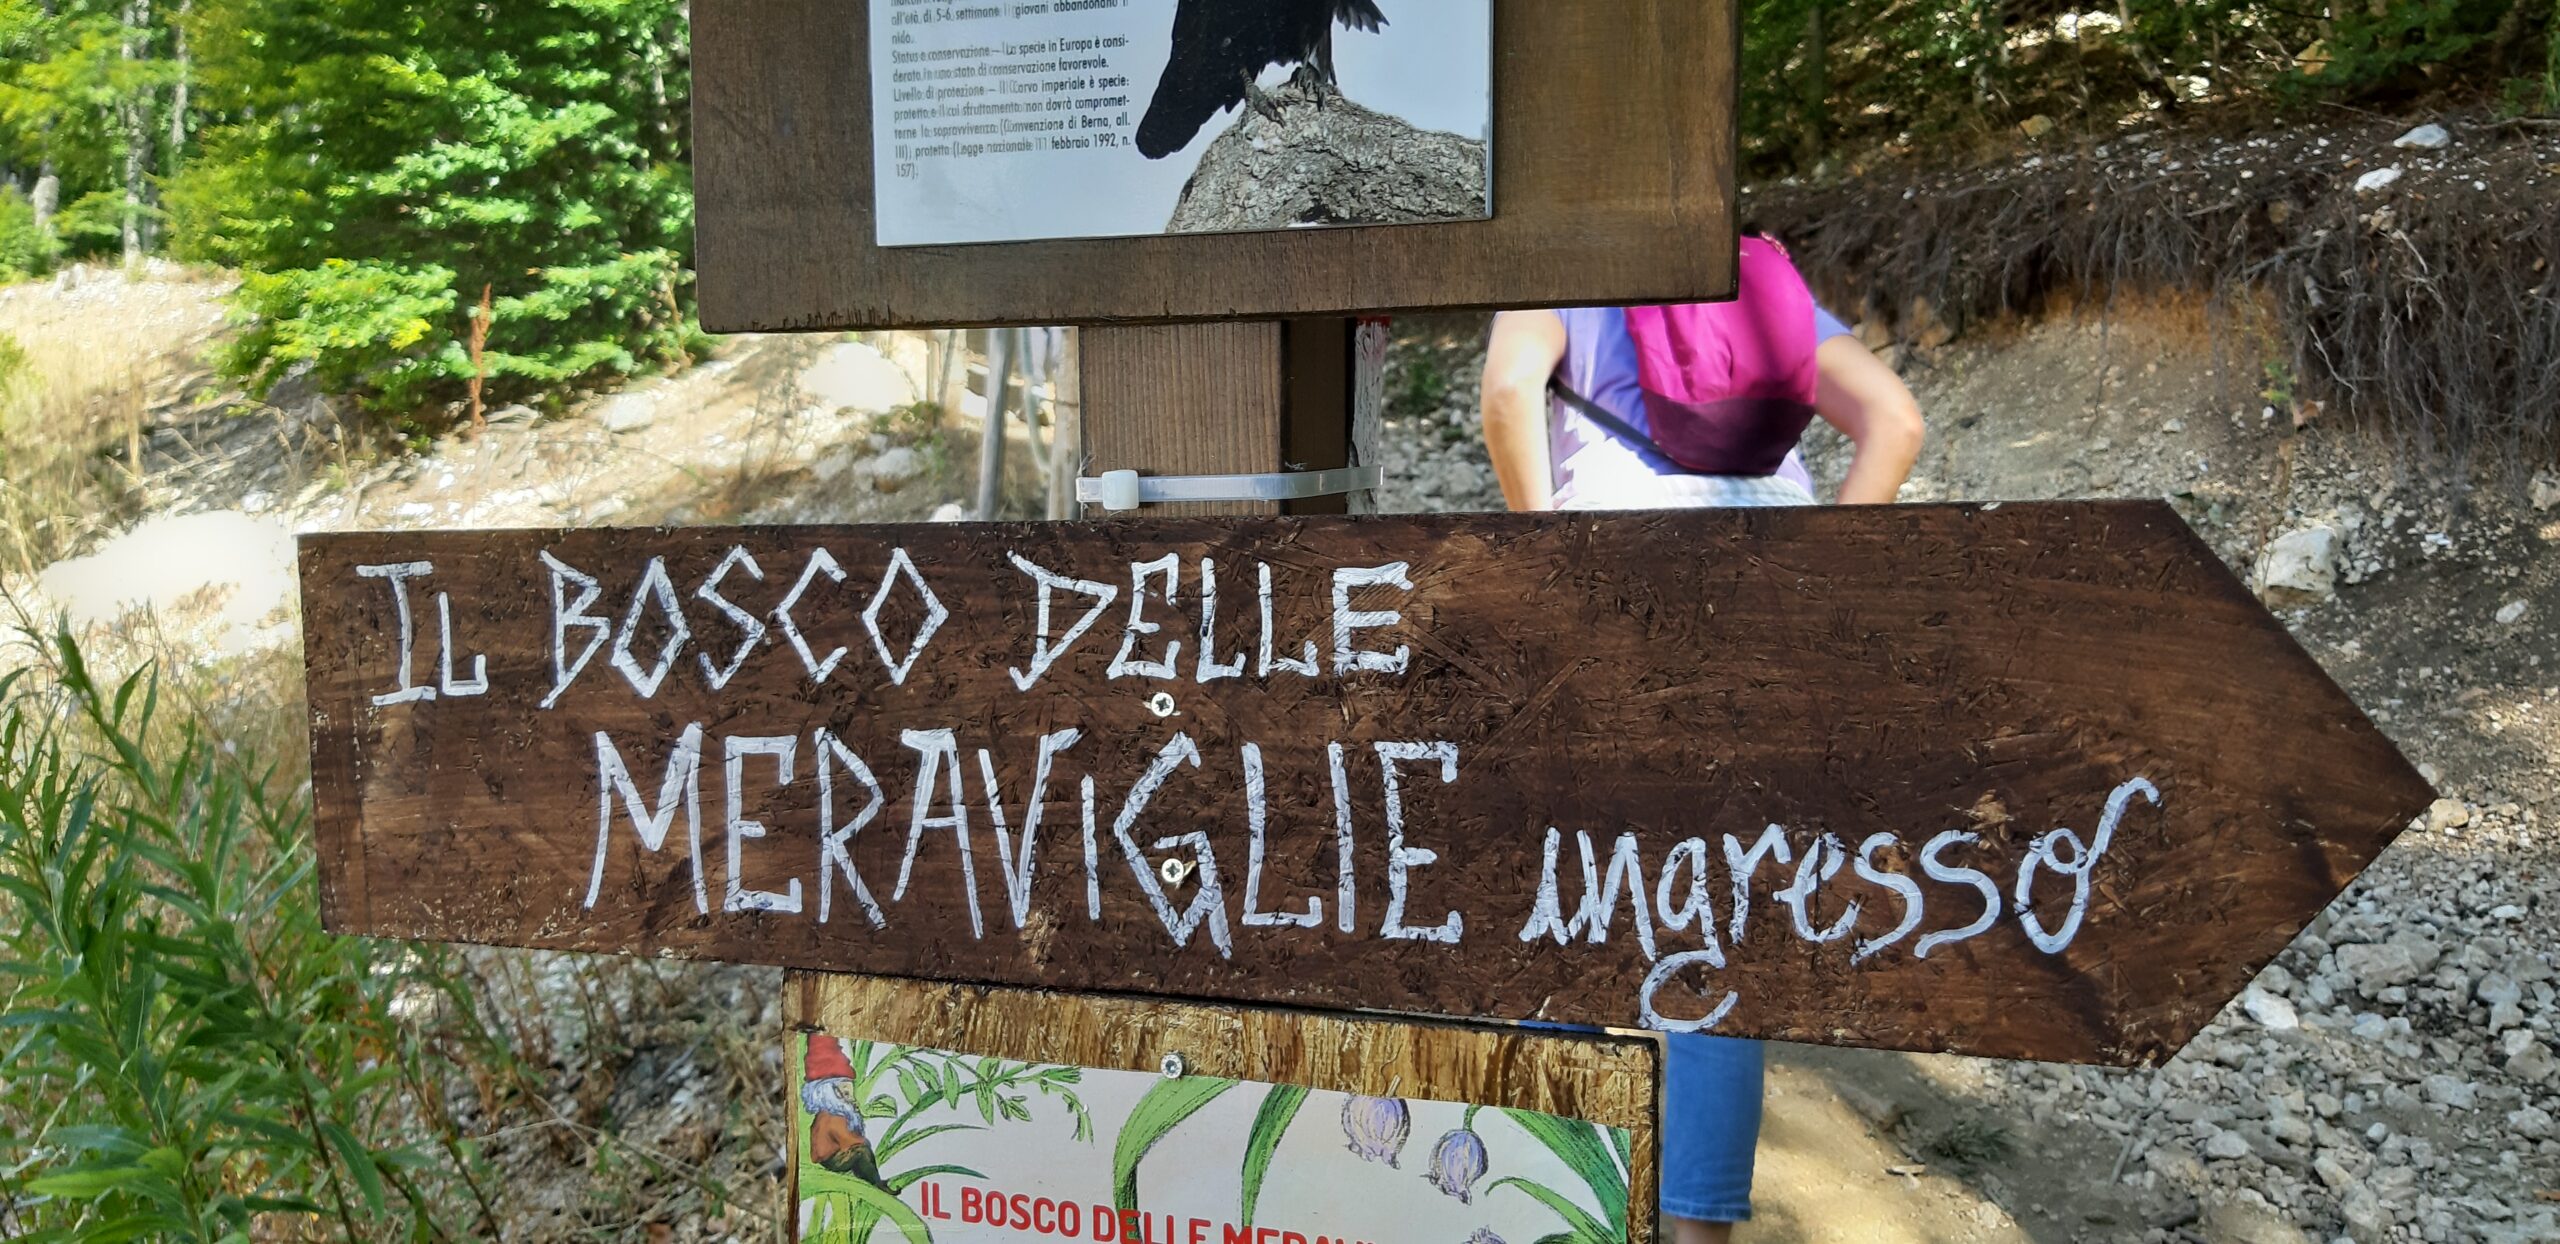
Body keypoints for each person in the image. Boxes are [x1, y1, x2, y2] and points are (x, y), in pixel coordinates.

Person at [1475, 238, 1923, 1243]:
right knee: (1719, 932)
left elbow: (1508, 391)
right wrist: (1819, 581)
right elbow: (1894, 421)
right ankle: (1696, 1235)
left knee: (1562, 909)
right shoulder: (1751, 280)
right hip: (1761, 612)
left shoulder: (1562, 269)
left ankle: (1554, 1202)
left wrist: (1543, 557)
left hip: (1614, 598)